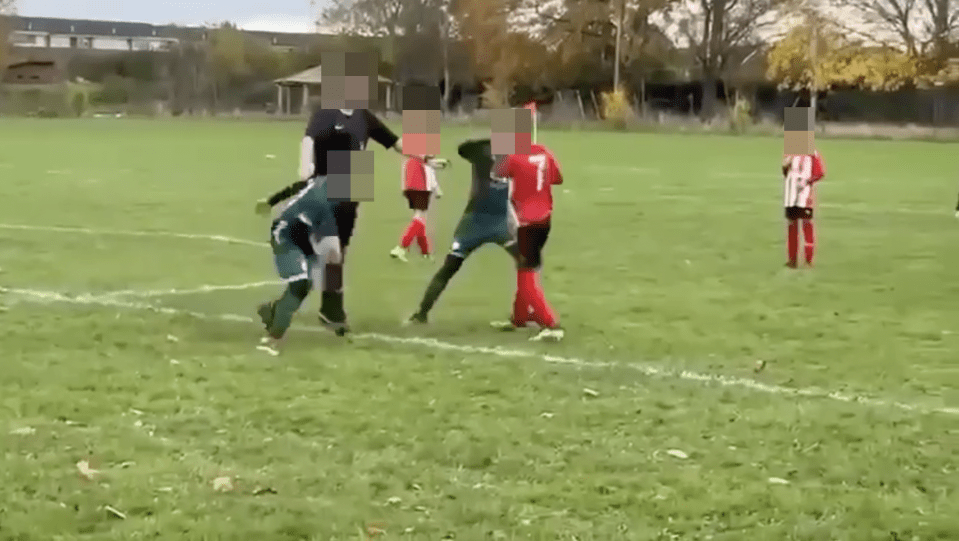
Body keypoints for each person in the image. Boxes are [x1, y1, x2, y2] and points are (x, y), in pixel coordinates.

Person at [257, 107, 404, 333]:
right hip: (325, 187)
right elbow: (308, 140)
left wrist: (425, 157)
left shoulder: (365, 116)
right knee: (324, 251)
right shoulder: (325, 113)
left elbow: (395, 142)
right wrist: (304, 165)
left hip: (354, 185)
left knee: (338, 250)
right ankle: (321, 309)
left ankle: (325, 308)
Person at [407, 137, 519, 324]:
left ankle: (522, 315)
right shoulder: (484, 153)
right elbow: (463, 149)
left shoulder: (510, 156)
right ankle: (422, 312)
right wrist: (489, 142)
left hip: (498, 222)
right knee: (450, 267)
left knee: (527, 266)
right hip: (474, 222)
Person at [256, 178, 343, 355]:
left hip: (302, 236)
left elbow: (297, 186)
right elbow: (330, 244)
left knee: (305, 284)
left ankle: (272, 311)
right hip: (285, 234)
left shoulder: (321, 183)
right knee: (300, 284)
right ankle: (272, 340)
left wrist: (271, 201)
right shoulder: (324, 202)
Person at [490, 143, 564, 342]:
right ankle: (521, 318)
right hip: (544, 220)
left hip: (525, 222)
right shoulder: (544, 151)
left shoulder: (512, 156)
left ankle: (551, 324)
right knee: (526, 268)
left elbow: (496, 173)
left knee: (526, 277)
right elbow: (557, 179)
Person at [390, 153, 445, 262]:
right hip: (421, 189)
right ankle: (401, 248)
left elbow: (428, 164)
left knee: (420, 219)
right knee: (419, 218)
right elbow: (430, 171)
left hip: (410, 188)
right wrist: (437, 189)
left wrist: (438, 163)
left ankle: (425, 252)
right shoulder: (423, 158)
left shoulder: (412, 158)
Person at [783, 149, 826, 268]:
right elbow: (786, 172)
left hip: (806, 197)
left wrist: (808, 181)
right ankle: (792, 260)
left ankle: (808, 260)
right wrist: (786, 165)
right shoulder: (790, 152)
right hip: (791, 195)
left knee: (807, 226)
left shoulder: (812, 153)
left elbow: (820, 172)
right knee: (792, 226)